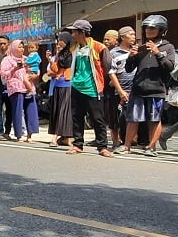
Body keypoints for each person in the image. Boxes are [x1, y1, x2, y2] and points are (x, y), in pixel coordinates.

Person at [119, 15, 175, 157]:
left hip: (156, 89)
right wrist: (131, 57)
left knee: (154, 119)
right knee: (133, 119)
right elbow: (129, 69)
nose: (149, 31)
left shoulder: (168, 47)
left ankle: (151, 147)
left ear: (161, 30)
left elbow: (169, 67)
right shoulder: (141, 47)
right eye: (147, 28)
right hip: (138, 89)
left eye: (153, 28)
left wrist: (158, 53)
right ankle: (126, 146)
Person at [66, 19, 113, 157]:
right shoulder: (74, 48)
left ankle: (102, 147)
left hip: (92, 88)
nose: (72, 34)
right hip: (76, 86)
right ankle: (77, 144)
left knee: (97, 118)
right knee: (77, 118)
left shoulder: (99, 47)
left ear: (82, 32)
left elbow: (108, 66)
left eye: (74, 31)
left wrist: (101, 81)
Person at [1, 40, 38, 142]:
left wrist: (35, 73)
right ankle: (19, 134)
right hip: (16, 88)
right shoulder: (7, 60)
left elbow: (35, 68)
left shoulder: (26, 59)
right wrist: (15, 68)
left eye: (22, 47)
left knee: (31, 110)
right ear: (13, 48)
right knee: (18, 111)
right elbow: (4, 74)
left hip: (28, 87)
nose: (22, 49)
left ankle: (30, 135)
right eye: (19, 47)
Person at [106, 27, 134, 151]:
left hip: (134, 90)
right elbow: (111, 73)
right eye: (131, 34)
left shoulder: (136, 50)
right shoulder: (114, 53)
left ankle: (131, 139)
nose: (134, 36)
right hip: (117, 90)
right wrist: (120, 90)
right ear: (122, 37)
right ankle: (116, 140)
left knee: (131, 117)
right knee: (115, 116)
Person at [47, 32, 74, 147]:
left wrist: (57, 55)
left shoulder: (69, 53)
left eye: (61, 41)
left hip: (66, 84)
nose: (58, 44)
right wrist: (50, 59)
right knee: (58, 111)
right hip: (58, 85)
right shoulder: (59, 54)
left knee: (63, 111)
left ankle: (55, 137)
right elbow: (55, 69)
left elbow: (64, 65)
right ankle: (66, 138)